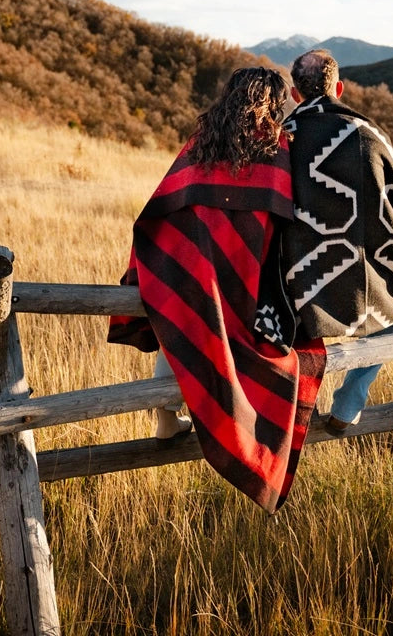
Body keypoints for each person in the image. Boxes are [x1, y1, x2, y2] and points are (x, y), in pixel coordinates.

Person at [108, 66, 327, 512]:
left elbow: (165, 202)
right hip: (244, 270)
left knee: (184, 313)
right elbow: (283, 220)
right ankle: (196, 424)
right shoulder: (275, 146)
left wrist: (170, 256)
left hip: (186, 261)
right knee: (228, 331)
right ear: (273, 101)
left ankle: (167, 418)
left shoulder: (203, 140)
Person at [269, 49, 393, 435]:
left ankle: (291, 408)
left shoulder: (283, 138)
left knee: (282, 316)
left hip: (298, 279)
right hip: (361, 278)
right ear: (339, 88)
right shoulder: (368, 135)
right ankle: (348, 405)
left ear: (296, 94)